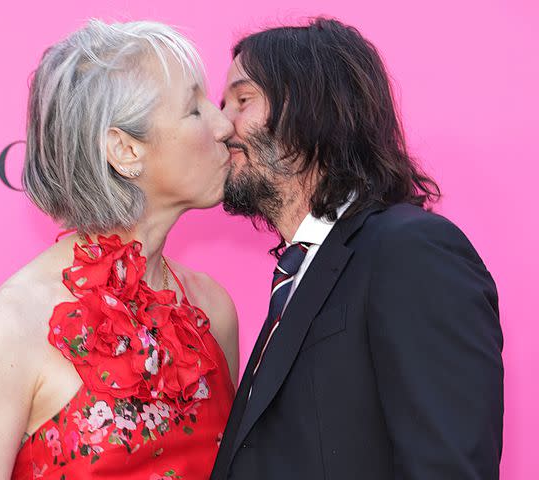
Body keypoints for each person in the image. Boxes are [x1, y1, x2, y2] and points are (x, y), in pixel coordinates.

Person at [0, 19, 239, 480]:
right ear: (124, 150)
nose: (224, 125)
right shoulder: (10, 325)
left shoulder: (211, 308)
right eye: (194, 110)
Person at [212, 17, 503, 479]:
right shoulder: (298, 274)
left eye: (242, 101)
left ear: (312, 108)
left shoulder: (411, 252)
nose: (219, 125)